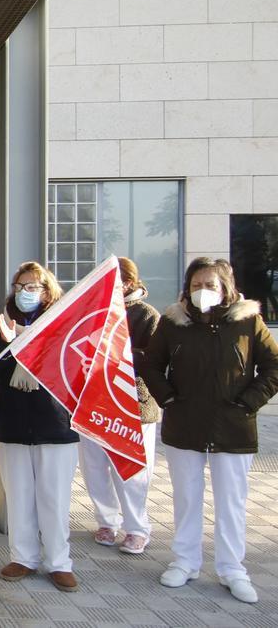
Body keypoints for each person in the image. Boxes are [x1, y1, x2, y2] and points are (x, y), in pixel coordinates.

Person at [140, 257, 278, 604]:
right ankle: (185, 561)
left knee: (231, 502)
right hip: (184, 424)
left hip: (234, 428)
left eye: (210, 284)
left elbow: (273, 366)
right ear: (187, 288)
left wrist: (249, 402)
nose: (203, 291)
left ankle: (232, 569)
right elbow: (152, 364)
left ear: (226, 288)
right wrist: (168, 399)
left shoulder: (248, 321)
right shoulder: (174, 323)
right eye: (197, 284)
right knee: (186, 498)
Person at [0, 262, 80, 592]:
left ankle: (58, 562)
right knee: (19, 495)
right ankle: (23, 557)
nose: (25, 292)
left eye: (33, 286)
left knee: (54, 497)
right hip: (14, 424)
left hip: (55, 424)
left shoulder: (64, 324)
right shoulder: (2, 324)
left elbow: (73, 364)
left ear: (48, 291)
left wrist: (30, 344)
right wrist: (9, 344)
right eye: (20, 286)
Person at [79, 257, 160, 555]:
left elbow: (154, 358)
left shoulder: (146, 315)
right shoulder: (94, 311)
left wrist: (115, 354)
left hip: (132, 405)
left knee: (132, 469)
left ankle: (137, 528)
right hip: (93, 402)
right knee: (95, 467)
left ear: (128, 282)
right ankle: (106, 521)